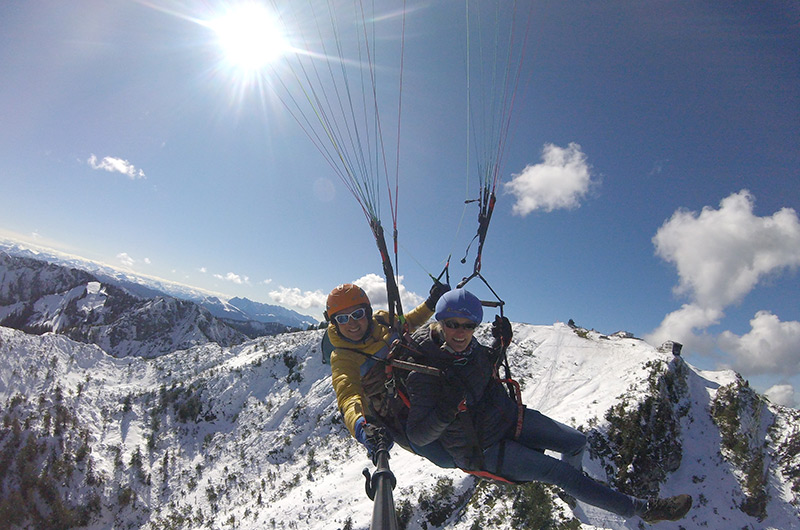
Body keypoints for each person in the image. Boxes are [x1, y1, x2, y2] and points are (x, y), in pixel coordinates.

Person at [404, 288, 693, 524]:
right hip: (481, 448)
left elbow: (479, 374)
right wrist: (445, 410)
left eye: (468, 326)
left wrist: (500, 346)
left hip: (507, 417)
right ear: (440, 322)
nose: (460, 332)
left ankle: (574, 488)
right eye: (453, 324)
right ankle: (645, 509)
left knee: (577, 442)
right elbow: (418, 436)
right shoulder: (425, 369)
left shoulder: (471, 349)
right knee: (561, 473)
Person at [325, 281, 455, 467]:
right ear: (335, 324)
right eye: (342, 319)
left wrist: (431, 303)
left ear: (368, 312)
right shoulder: (343, 357)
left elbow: (408, 322)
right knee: (446, 458)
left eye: (357, 314)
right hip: (401, 415)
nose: (351, 323)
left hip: (425, 383)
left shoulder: (383, 320)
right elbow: (348, 396)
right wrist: (362, 427)